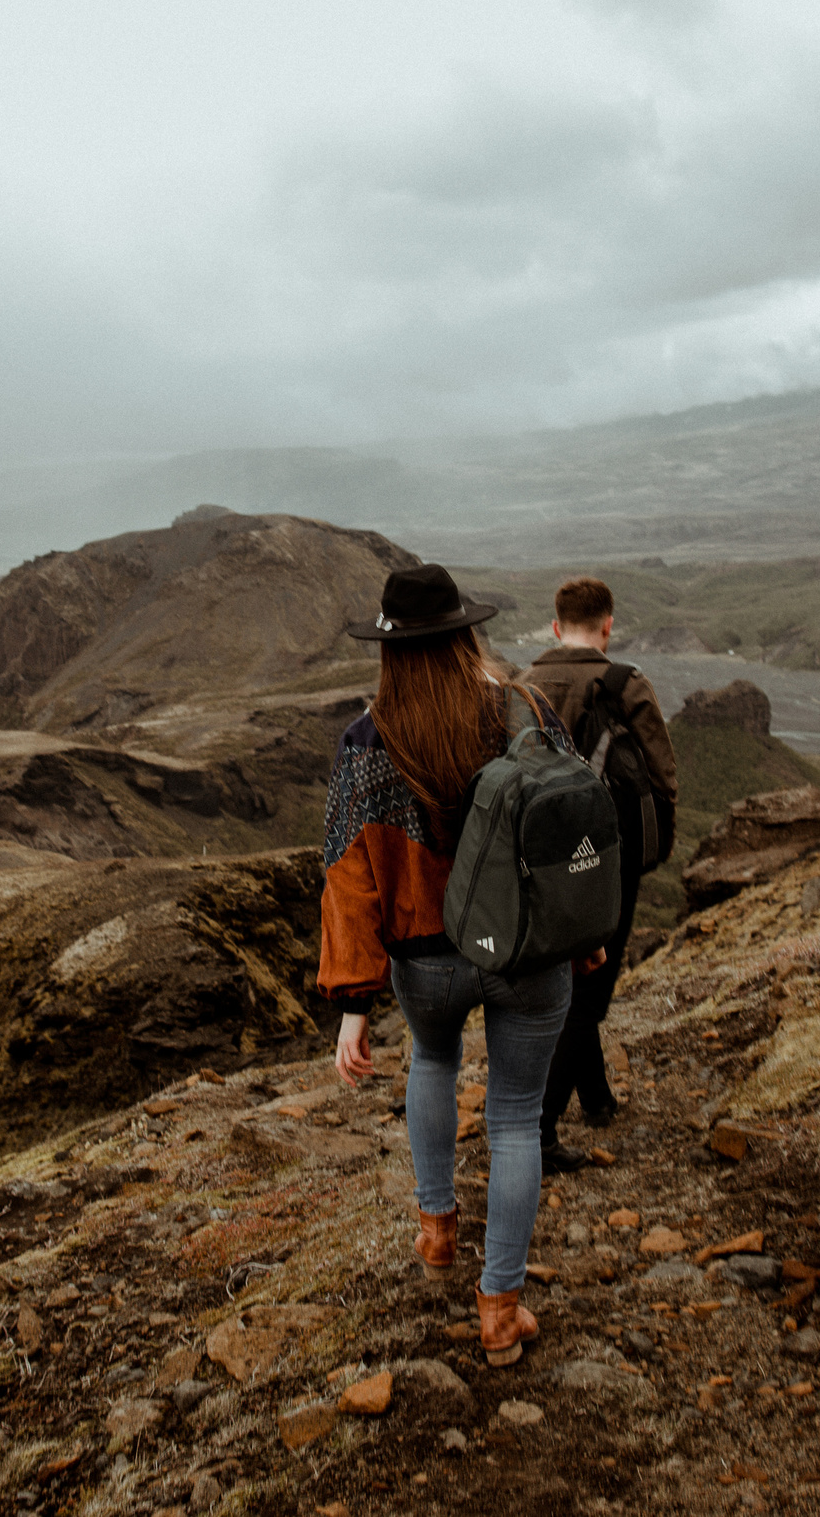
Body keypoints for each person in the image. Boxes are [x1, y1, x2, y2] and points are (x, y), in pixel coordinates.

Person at [317, 562, 599, 1368]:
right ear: (466, 632)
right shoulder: (526, 710)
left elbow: (348, 874)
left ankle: (437, 1229)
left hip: (425, 959)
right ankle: (500, 1308)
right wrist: (584, 933)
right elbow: (569, 830)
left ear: (390, 650)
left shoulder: (366, 740)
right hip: (524, 950)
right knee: (514, 1117)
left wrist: (354, 1003)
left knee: (434, 1059)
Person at [515, 575, 679, 1173]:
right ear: (608, 625)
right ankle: (538, 1130)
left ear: (555, 627)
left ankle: (598, 1098)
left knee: (563, 978)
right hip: (606, 860)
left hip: (535, 859)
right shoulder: (625, 684)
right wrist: (649, 851)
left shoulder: (521, 686)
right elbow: (663, 777)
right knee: (589, 993)